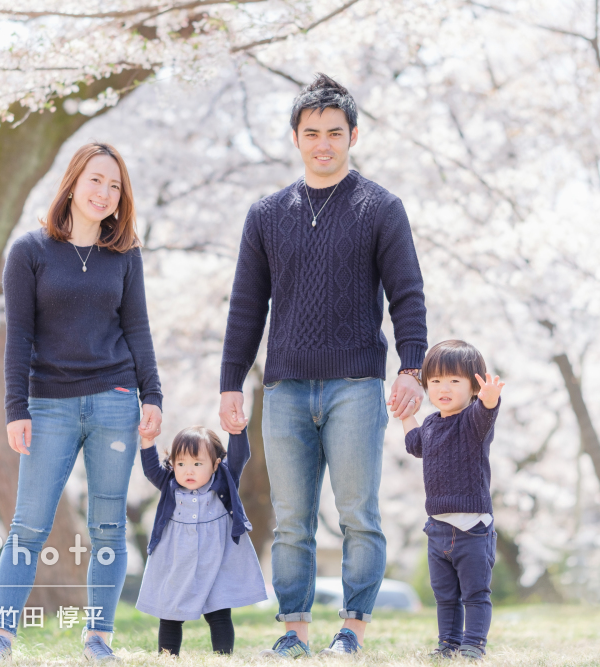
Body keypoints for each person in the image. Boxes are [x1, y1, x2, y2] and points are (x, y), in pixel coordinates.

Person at [219, 73, 428, 657]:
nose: (323, 143)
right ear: (295, 137)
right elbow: (245, 306)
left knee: (358, 514)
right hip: (283, 387)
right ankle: (293, 632)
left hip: (355, 385)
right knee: (291, 521)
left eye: (335, 132)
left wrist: (411, 367)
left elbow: (406, 295)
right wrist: (229, 383)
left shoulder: (381, 208)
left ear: (353, 135)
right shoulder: (265, 214)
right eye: (311, 133)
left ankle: (353, 629)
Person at [0, 143, 163, 663]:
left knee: (109, 525)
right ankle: (1, 637)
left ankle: (99, 639)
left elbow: (138, 329)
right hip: (50, 405)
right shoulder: (30, 252)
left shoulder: (124, 255)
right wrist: (16, 408)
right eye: (96, 181)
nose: (104, 193)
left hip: (115, 399)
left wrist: (153, 394)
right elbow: (18, 337)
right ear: (73, 181)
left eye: (115, 186)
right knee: (28, 525)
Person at [399, 340, 504, 661]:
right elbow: (415, 445)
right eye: (435, 381)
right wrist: (407, 414)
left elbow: (485, 414)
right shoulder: (431, 424)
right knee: (444, 596)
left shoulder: (472, 421)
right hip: (438, 529)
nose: (444, 388)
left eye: (455, 381)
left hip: (473, 528)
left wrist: (489, 401)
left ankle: (473, 645)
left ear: (473, 386)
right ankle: (448, 645)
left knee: (474, 594)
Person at [135, 424, 267, 656]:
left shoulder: (223, 481)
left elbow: (239, 456)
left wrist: (237, 430)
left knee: (218, 612)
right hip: (178, 558)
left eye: (198, 464)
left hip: (216, 558)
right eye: (181, 464)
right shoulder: (170, 485)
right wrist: (147, 440)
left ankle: (223, 657)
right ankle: (167, 658)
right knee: (170, 612)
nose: (189, 471)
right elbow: (151, 470)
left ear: (215, 464)